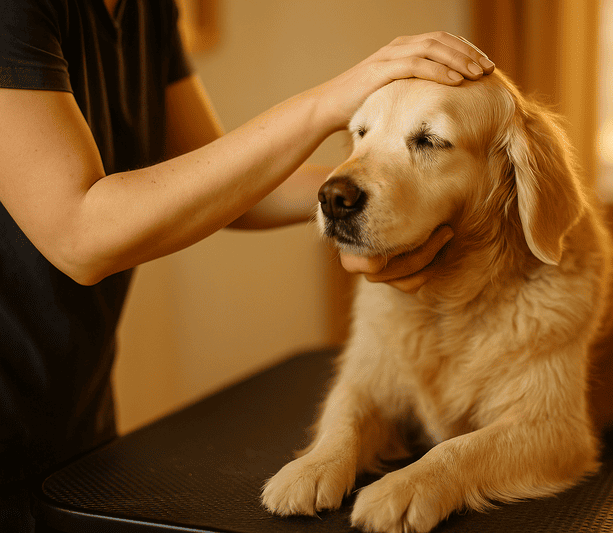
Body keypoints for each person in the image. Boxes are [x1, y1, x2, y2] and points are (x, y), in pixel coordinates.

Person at [0, 0, 494, 530]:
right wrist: (330, 101)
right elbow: (81, 233)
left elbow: (224, 181)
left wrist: (390, 199)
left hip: (72, 408)